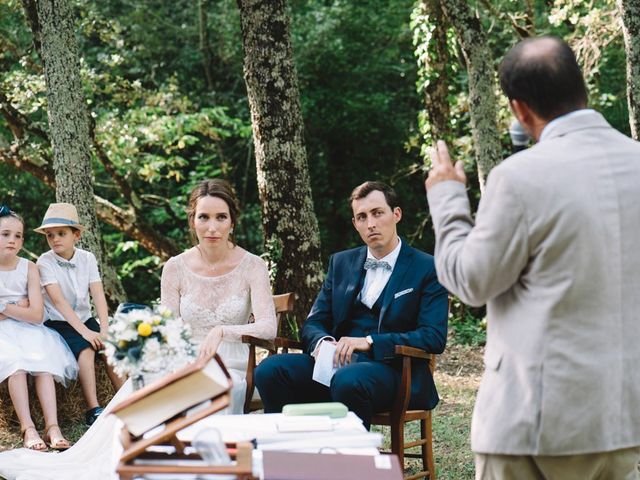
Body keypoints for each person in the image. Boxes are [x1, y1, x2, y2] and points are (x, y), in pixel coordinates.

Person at [425, 36, 640, 479]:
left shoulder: (519, 178)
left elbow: (471, 282)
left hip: (536, 424)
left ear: (520, 110)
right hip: (622, 421)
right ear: (581, 89)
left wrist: (447, 198)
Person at [255, 181, 448, 429]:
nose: (371, 224)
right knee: (270, 370)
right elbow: (314, 322)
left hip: (395, 372)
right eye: (362, 217)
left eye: (378, 213)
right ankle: (291, 454)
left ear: (396, 214)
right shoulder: (342, 263)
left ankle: (352, 462)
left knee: (348, 380)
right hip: (335, 366)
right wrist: (323, 342)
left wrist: (369, 342)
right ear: (355, 223)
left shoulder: (427, 268)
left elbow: (433, 337)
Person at [161, 178, 277, 414]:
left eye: (221, 217)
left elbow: (268, 327)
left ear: (232, 223)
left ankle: (207, 449)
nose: (212, 227)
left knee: (214, 389)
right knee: (151, 387)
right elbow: (168, 329)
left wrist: (223, 331)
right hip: (186, 360)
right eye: (203, 217)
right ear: (193, 221)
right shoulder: (174, 267)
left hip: (233, 363)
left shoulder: (253, 265)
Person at [0, 205, 78, 451]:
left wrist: (4, 306)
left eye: (18, 235)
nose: (13, 240)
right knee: (16, 363)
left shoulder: (29, 267)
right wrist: (17, 305)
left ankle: (52, 426)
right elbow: (27, 309)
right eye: (5, 234)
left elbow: (36, 314)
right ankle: (28, 428)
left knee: (43, 361)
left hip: (29, 329)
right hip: (3, 334)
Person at [35, 203, 120, 427]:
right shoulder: (44, 262)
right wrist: (86, 334)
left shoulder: (87, 258)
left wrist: (103, 329)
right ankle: (93, 408)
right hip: (58, 322)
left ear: (77, 234)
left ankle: (126, 397)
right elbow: (59, 302)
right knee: (86, 349)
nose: (54, 239)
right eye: (50, 235)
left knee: (110, 346)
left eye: (61, 233)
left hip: (84, 318)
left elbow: (98, 295)